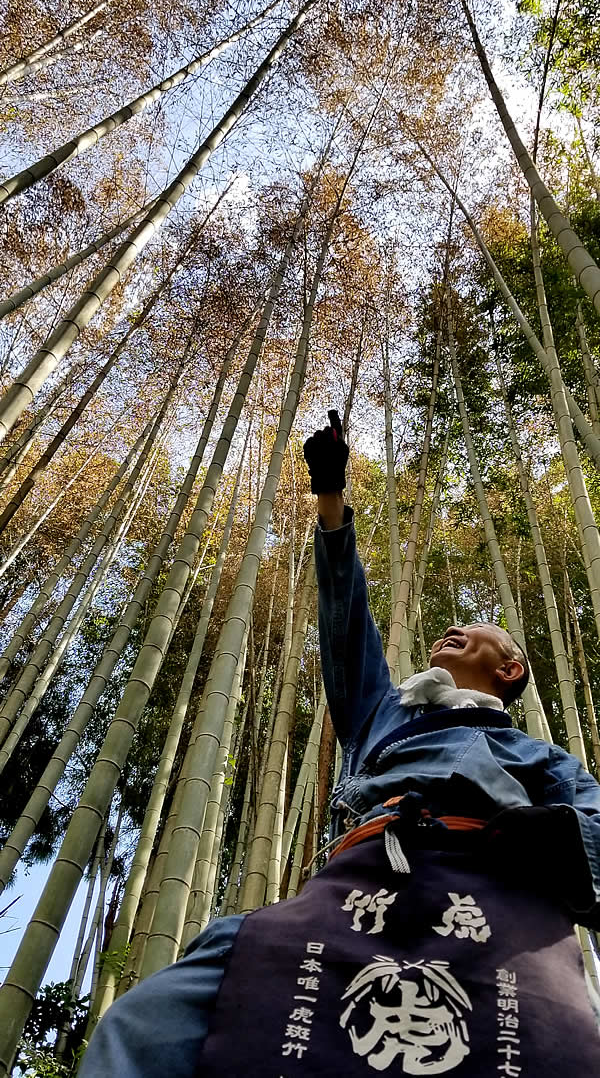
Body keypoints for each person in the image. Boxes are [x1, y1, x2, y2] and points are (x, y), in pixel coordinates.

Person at [80, 411, 600, 1077]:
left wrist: (556, 838)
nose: (455, 626)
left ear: (510, 671)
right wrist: (329, 494)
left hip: (495, 895)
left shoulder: (537, 755)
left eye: (479, 627)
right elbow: (346, 619)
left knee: (566, 1049)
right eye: (454, 623)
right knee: (149, 1025)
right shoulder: (384, 715)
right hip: (359, 879)